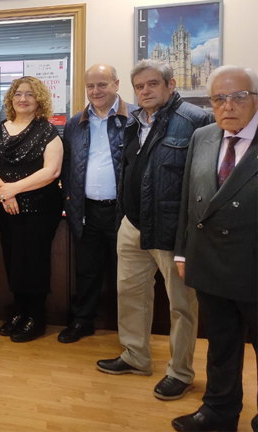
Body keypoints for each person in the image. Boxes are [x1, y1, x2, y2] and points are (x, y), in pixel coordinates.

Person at [96, 60, 212, 401]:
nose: (145, 91)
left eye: (152, 84)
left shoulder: (196, 121)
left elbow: (203, 182)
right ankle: (136, 356)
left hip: (172, 230)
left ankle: (180, 372)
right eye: (139, 86)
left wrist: (190, 235)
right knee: (130, 295)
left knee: (182, 305)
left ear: (170, 85)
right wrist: (123, 217)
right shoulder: (134, 121)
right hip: (132, 225)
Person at [171, 66, 258, 432]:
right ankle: (219, 412)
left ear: (255, 99)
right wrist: (182, 251)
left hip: (252, 264)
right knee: (221, 345)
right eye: (219, 98)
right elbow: (188, 200)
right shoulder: (203, 136)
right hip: (209, 262)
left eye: (238, 97)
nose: (228, 106)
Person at [59, 64, 137, 344]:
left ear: (116, 84)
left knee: (127, 274)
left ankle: (130, 332)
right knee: (87, 271)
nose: (95, 91)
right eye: (90, 86)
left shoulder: (135, 119)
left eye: (102, 84)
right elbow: (68, 165)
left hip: (123, 212)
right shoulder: (74, 123)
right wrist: (70, 199)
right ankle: (83, 321)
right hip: (86, 211)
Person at [0, 76, 63, 343]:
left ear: (39, 99)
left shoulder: (47, 131)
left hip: (40, 209)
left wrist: (13, 189)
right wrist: (3, 192)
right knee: (12, 260)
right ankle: (19, 311)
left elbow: (52, 171)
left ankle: (36, 317)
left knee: (34, 262)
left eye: (29, 94)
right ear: (10, 98)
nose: (23, 99)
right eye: (18, 94)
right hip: (6, 207)